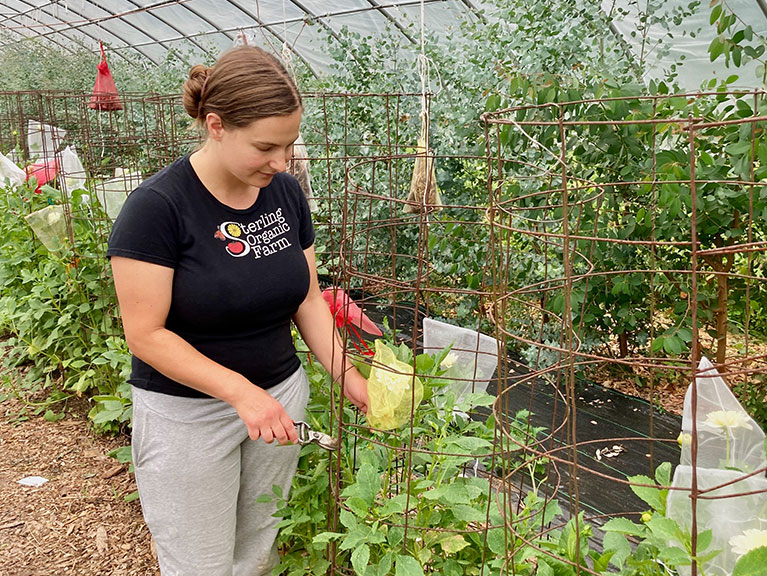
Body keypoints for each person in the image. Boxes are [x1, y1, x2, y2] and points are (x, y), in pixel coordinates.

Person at [107, 45, 369, 576]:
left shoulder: (286, 194)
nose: (280, 161)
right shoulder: (157, 208)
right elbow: (146, 334)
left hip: (279, 398)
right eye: (266, 147)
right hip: (189, 414)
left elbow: (308, 298)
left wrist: (352, 380)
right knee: (199, 563)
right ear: (216, 125)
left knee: (256, 551)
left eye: (290, 145)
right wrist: (240, 393)